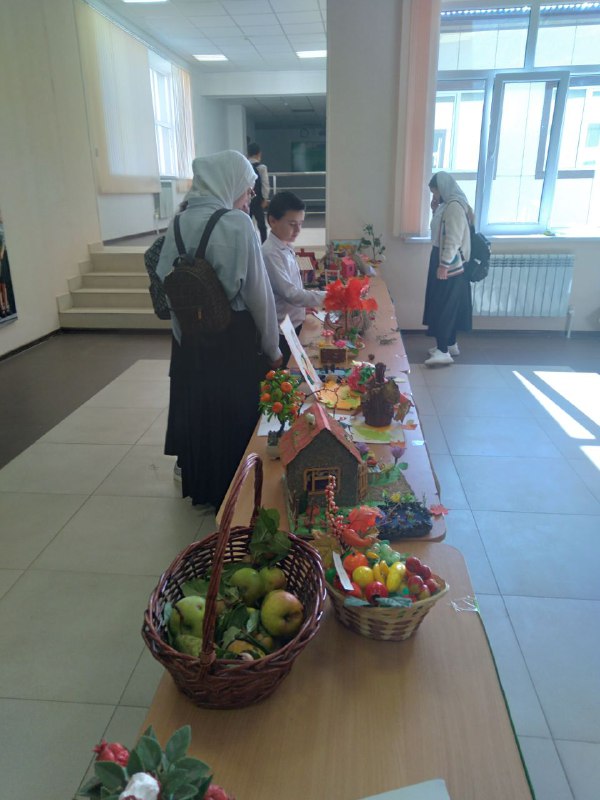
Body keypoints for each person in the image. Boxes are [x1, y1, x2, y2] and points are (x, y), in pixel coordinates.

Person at [156, 150, 282, 508]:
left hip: (192, 339)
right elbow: (259, 296)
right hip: (234, 339)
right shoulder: (237, 224)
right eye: (247, 188)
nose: (249, 197)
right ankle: (236, 492)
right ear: (229, 182)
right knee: (234, 412)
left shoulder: (178, 223)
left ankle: (205, 487)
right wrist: (272, 348)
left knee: (202, 412)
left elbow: (168, 282)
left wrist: (184, 338)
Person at [262, 191, 326, 366]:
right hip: (283, 329)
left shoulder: (285, 245)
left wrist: (303, 307)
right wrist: (329, 296)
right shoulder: (270, 253)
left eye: (300, 224)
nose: (298, 230)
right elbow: (290, 293)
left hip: (295, 321)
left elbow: (294, 286)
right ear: (272, 221)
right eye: (292, 224)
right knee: (290, 371)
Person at [422, 171, 473, 367]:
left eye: (435, 192)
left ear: (443, 188)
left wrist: (443, 264)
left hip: (449, 264)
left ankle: (443, 351)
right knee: (447, 304)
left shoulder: (454, 207)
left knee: (443, 306)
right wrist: (434, 210)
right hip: (443, 259)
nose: (435, 196)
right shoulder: (447, 206)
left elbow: (453, 238)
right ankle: (450, 345)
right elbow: (438, 232)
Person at [247, 142, 270, 243]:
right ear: (259, 153)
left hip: (246, 200)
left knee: (247, 223)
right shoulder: (261, 167)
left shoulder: (245, 166)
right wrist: (265, 198)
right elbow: (265, 183)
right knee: (262, 225)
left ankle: (248, 244)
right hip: (258, 199)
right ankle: (263, 244)